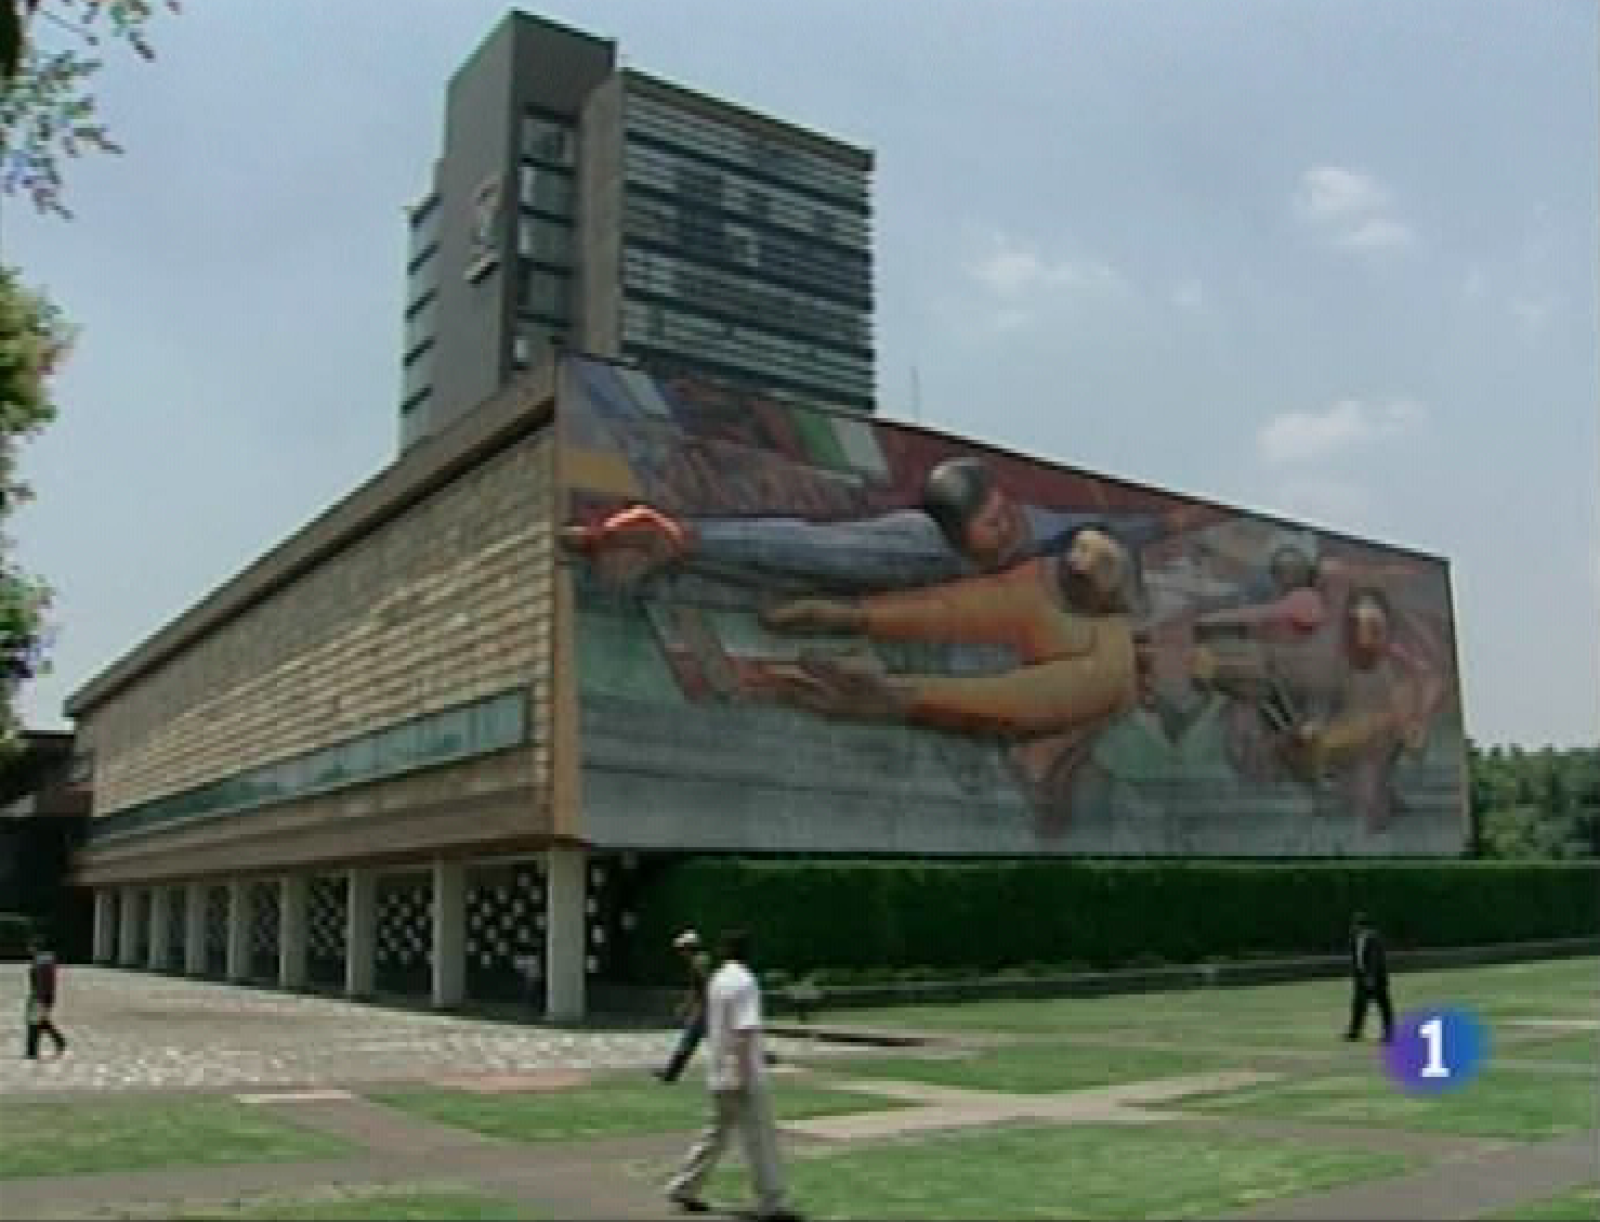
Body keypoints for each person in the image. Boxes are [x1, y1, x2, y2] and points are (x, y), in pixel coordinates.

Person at [756, 526, 1139, 835]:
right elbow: (966, 608)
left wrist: (904, 694)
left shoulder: (1112, 652)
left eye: (1098, 563)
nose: (1078, 564)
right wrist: (853, 616)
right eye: (1078, 551)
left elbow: (1033, 699)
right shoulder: (1049, 582)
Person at [561, 455, 1198, 600]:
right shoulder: (925, 542)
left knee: (794, 577)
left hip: (936, 581)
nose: (1003, 529)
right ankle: (674, 535)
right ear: (955, 527)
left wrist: (1169, 522)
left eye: (1002, 515)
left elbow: (1116, 527)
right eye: (989, 523)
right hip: (915, 559)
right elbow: (818, 546)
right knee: (815, 558)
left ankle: (676, 547)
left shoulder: (1041, 529)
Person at [666, 929, 797, 1221]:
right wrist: (743, 1070)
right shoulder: (745, 981)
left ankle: (684, 1188)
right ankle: (771, 1202)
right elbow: (743, 1029)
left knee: (715, 1135)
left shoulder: (719, 981)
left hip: (719, 1071)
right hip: (742, 1074)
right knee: (760, 1140)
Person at [656, 929, 713, 1084]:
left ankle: (670, 1074)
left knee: (690, 1040)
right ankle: (670, 1074)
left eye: (682, 949)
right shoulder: (703, 959)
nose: (681, 953)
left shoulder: (698, 962)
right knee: (691, 1040)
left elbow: (698, 988)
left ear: (689, 948)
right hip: (707, 1008)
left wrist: (685, 1007)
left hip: (707, 1010)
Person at [1344, 912, 1394, 1044]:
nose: (1353, 928)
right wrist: (1357, 976)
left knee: (1383, 1005)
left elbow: (1375, 959)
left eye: (1355, 925)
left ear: (1362, 926)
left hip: (1376, 978)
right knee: (1358, 1005)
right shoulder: (1355, 938)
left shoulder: (1373, 937)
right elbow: (1356, 958)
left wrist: (1371, 977)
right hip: (1361, 978)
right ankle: (1354, 1032)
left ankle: (1389, 1034)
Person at [23, 939, 67, 1061]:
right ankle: (60, 1041)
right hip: (42, 995)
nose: (29, 948)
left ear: (36, 947)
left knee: (33, 1023)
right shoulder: (42, 960)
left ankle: (31, 1052)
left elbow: (43, 982)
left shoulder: (42, 962)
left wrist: (39, 997)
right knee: (40, 1021)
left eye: (31, 946)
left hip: (41, 996)